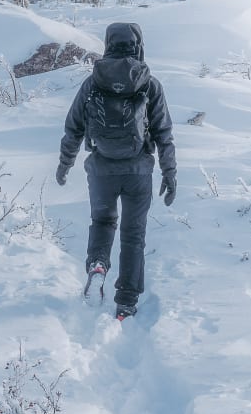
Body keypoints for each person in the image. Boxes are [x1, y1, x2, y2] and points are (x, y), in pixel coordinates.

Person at [56, 21, 176, 319]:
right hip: (138, 172)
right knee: (134, 234)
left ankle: (98, 264)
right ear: (138, 45)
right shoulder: (149, 83)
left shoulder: (93, 81)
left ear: (108, 43)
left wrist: (65, 163)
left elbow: (74, 128)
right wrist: (169, 172)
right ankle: (126, 302)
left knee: (103, 222)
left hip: (100, 169)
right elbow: (163, 133)